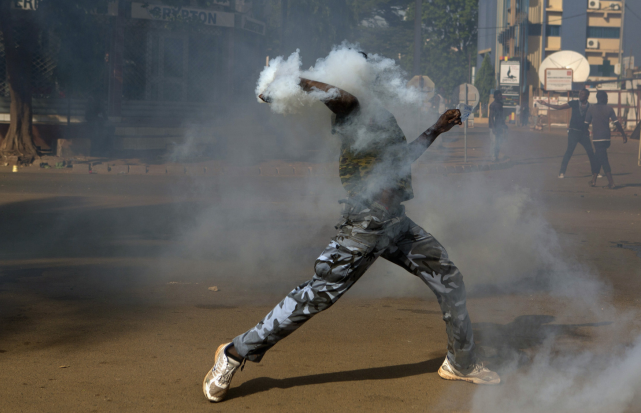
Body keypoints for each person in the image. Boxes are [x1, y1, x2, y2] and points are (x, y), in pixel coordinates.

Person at [203, 69, 501, 403]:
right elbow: (341, 98)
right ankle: (233, 352)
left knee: (449, 277)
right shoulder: (355, 113)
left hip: (396, 225)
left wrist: (436, 129)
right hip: (363, 228)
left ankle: (461, 362)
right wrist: (293, 80)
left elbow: (401, 161)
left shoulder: (385, 121)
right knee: (315, 297)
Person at [538, 89, 595, 179]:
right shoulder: (574, 103)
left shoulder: (590, 106)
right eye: (580, 93)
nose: (580, 95)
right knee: (569, 152)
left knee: (591, 152)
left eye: (583, 94)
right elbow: (559, 107)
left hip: (583, 133)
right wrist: (546, 104)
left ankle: (595, 172)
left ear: (587, 96)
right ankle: (562, 172)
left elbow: (593, 118)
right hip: (573, 132)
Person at [584, 91, 627, 189]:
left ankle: (611, 182)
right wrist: (623, 135)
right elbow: (617, 123)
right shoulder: (609, 109)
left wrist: (585, 131)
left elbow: (586, 123)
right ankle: (593, 180)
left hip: (597, 139)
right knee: (598, 158)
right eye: (606, 97)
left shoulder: (591, 109)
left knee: (603, 159)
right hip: (607, 139)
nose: (607, 99)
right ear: (603, 98)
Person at [488, 90, 507, 161]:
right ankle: (493, 157)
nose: (501, 96)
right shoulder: (493, 105)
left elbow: (501, 116)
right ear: (495, 96)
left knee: (499, 142)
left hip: (499, 126)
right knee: (494, 142)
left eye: (501, 95)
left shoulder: (500, 105)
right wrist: (493, 128)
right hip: (494, 126)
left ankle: (496, 156)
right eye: (499, 95)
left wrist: (504, 124)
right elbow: (491, 117)